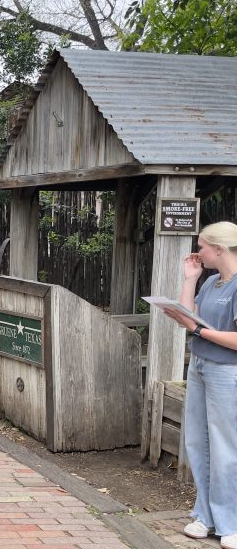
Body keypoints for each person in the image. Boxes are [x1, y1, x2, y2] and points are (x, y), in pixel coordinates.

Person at [162, 221, 237, 549]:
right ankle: (205, 516)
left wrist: (196, 330)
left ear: (219, 249)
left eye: (203, 247)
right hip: (201, 366)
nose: (199, 252)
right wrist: (190, 279)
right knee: (197, 442)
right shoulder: (210, 283)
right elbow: (188, 314)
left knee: (225, 449)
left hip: (227, 372)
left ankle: (230, 523)